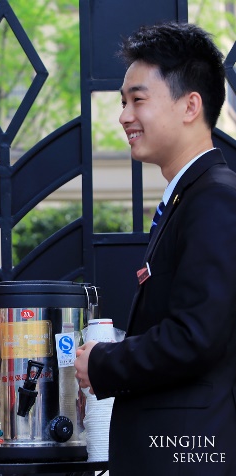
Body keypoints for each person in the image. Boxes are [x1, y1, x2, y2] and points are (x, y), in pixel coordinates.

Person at [74, 22, 236, 475]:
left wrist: (103, 362)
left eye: (138, 100)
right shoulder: (190, 197)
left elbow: (195, 337)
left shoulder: (216, 199)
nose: (124, 116)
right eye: (123, 102)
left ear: (190, 106)